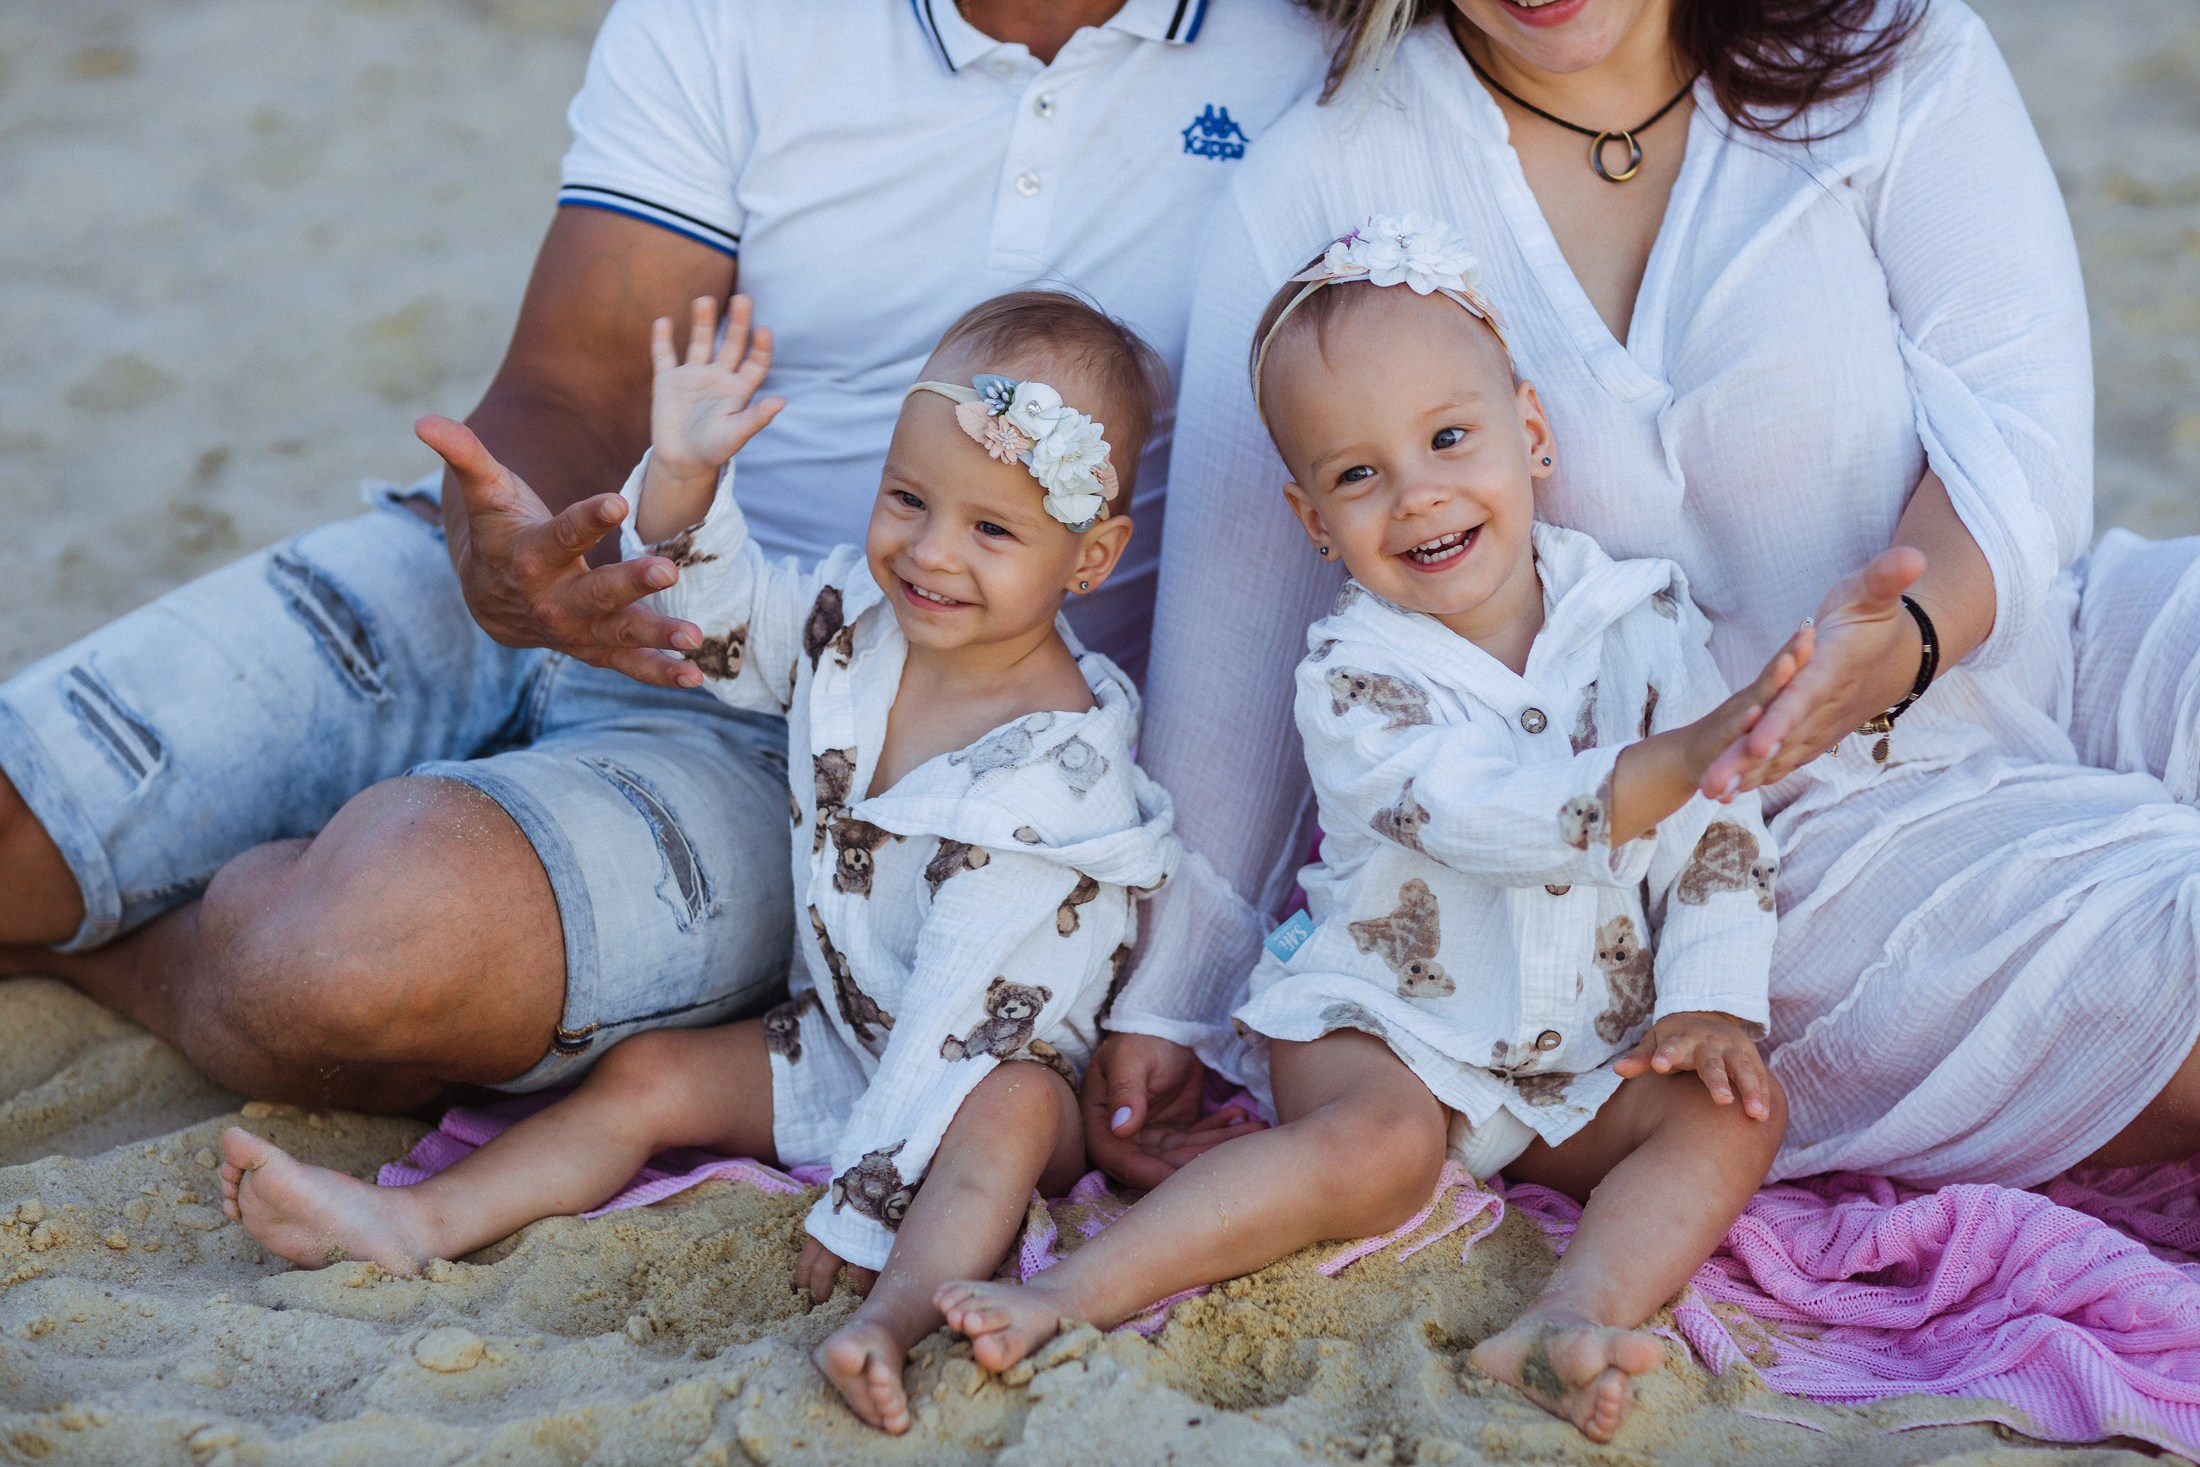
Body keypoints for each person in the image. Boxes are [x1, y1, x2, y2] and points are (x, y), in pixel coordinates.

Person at [0, 0, 1324, 1166]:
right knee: (17, 827)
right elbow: (572, 378)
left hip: (834, 738)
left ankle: (109, 955)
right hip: (573, 553)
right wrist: (508, 553)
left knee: (340, 962)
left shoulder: (1313, 40)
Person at [1105, 0, 2200, 1204]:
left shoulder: (1895, 50)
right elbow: (1234, 637)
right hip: (1739, 838)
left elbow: (2020, 439)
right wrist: (1170, 1004)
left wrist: (1904, 642)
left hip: (2036, 644)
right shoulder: (1326, 172)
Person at [218, 288, 1189, 1435]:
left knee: (1007, 1118)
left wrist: (865, 1200)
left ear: (1092, 558)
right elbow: (722, 632)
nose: (928, 552)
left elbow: (956, 1019)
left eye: (992, 530)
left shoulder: (1052, 778)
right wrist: (681, 478)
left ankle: (892, 1317)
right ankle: (417, 1223)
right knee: (647, 1079)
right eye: (907, 499)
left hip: (979, 1058)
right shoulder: (855, 628)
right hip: (842, 1033)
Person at [934, 223, 1810, 1442]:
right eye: (1357, 475)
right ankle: (1073, 1294)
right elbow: (1481, 813)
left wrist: (1709, 999)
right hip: (1388, 1022)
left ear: (1533, 432)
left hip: (1580, 1042)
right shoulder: (1350, 676)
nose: (1418, 493)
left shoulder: (1639, 614)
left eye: (1450, 439)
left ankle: (1572, 1314)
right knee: (1381, 1151)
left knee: (1731, 1110)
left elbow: (1723, 824)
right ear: (1312, 521)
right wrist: (1664, 764)